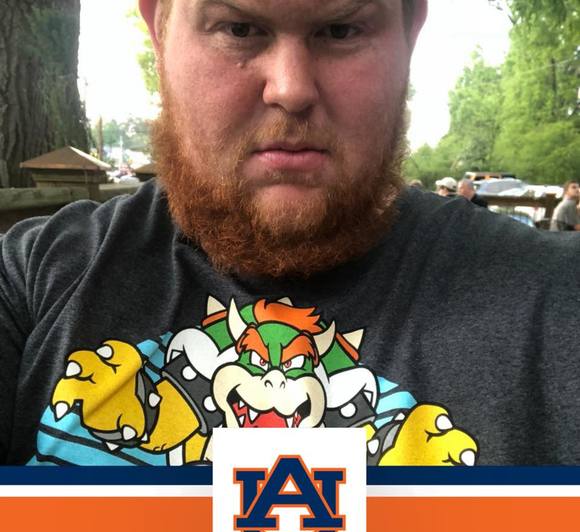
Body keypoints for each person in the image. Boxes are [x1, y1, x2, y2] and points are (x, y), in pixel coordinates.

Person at [1, 0, 580, 467]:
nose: (291, 88)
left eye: (340, 30)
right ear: (160, 28)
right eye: (239, 28)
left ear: (410, 33)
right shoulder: (32, 282)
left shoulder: (556, 299)